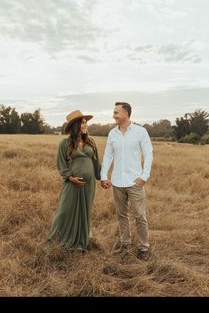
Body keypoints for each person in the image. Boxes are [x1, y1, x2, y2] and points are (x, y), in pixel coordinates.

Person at [101, 102, 153, 261]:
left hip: (135, 182)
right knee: (121, 215)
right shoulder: (112, 134)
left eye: (116, 113)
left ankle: (144, 248)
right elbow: (108, 156)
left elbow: (149, 154)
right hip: (117, 182)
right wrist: (104, 176)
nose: (113, 115)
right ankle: (125, 244)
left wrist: (144, 176)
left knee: (140, 215)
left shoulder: (140, 132)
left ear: (125, 114)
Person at [48, 110, 101, 252]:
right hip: (71, 184)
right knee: (64, 211)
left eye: (85, 122)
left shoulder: (91, 142)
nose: (85, 125)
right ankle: (57, 240)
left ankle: (80, 243)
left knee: (85, 211)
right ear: (76, 125)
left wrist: (102, 178)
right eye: (83, 122)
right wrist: (71, 178)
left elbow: (96, 163)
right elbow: (61, 165)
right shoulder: (64, 143)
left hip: (88, 185)